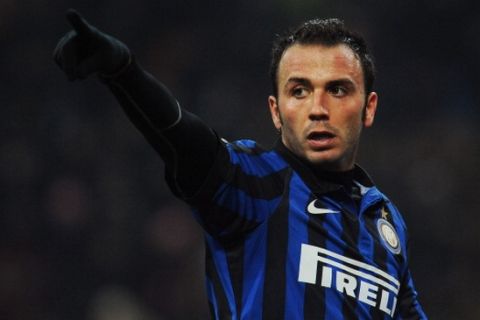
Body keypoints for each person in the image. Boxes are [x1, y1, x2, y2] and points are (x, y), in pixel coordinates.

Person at [53, 9, 428, 319]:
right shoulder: (259, 184)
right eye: (299, 91)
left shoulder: (386, 222)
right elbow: (188, 142)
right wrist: (124, 73)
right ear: (276, 112)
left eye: (338, 89)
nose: (318, 109)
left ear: (369, 107)